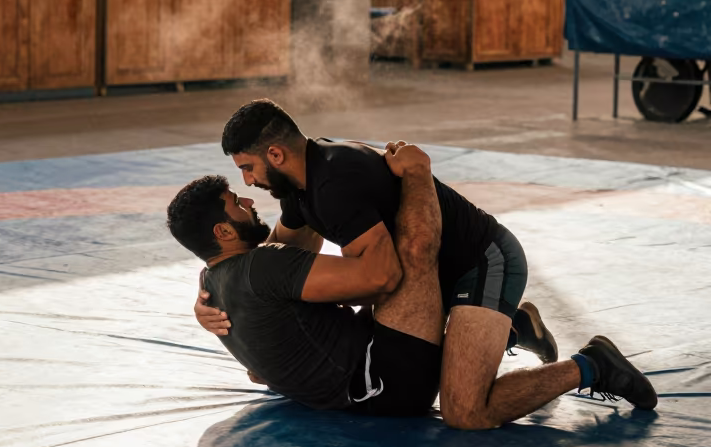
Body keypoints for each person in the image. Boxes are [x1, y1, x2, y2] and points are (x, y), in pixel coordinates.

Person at [192, 102, 657, 426]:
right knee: (386, 286)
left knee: (467, 413)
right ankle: (511, 326)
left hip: (479, 262)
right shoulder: (299, 187)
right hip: (425, 278)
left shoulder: (336, 180)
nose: (248, 181)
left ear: (276, 154)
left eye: (247, 168)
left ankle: (593, 364)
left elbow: (406, 261)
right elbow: (276, 261)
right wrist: (217, 296)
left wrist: (417, 172)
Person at [168, 142, 445, 415]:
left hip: (347, 385)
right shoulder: (264, 265)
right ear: (224, 232)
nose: (250, 201)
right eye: (238, 203)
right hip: (390, 387)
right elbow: (381, 284)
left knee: (311, 216)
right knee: (412, 257)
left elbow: (302, 223)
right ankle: (417, 168)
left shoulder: (209, 281)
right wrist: (413, 177)